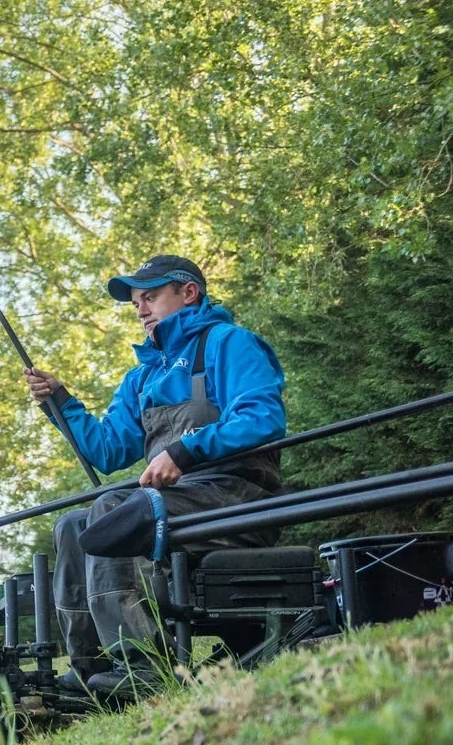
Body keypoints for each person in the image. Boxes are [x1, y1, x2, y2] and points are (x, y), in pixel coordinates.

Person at [24, 254, 286, 698]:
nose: (141, 310)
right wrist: (61, 402)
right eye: (136, 304)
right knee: (71, 525)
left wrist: (184, 450)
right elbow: (108, 450)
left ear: (189, 292)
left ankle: (145, 665)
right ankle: (89, 667)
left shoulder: (229, 343)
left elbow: (263, 418)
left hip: (235, 495)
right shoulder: (142, 377)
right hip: (173, 502)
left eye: (150, 297)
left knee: (112, 507)